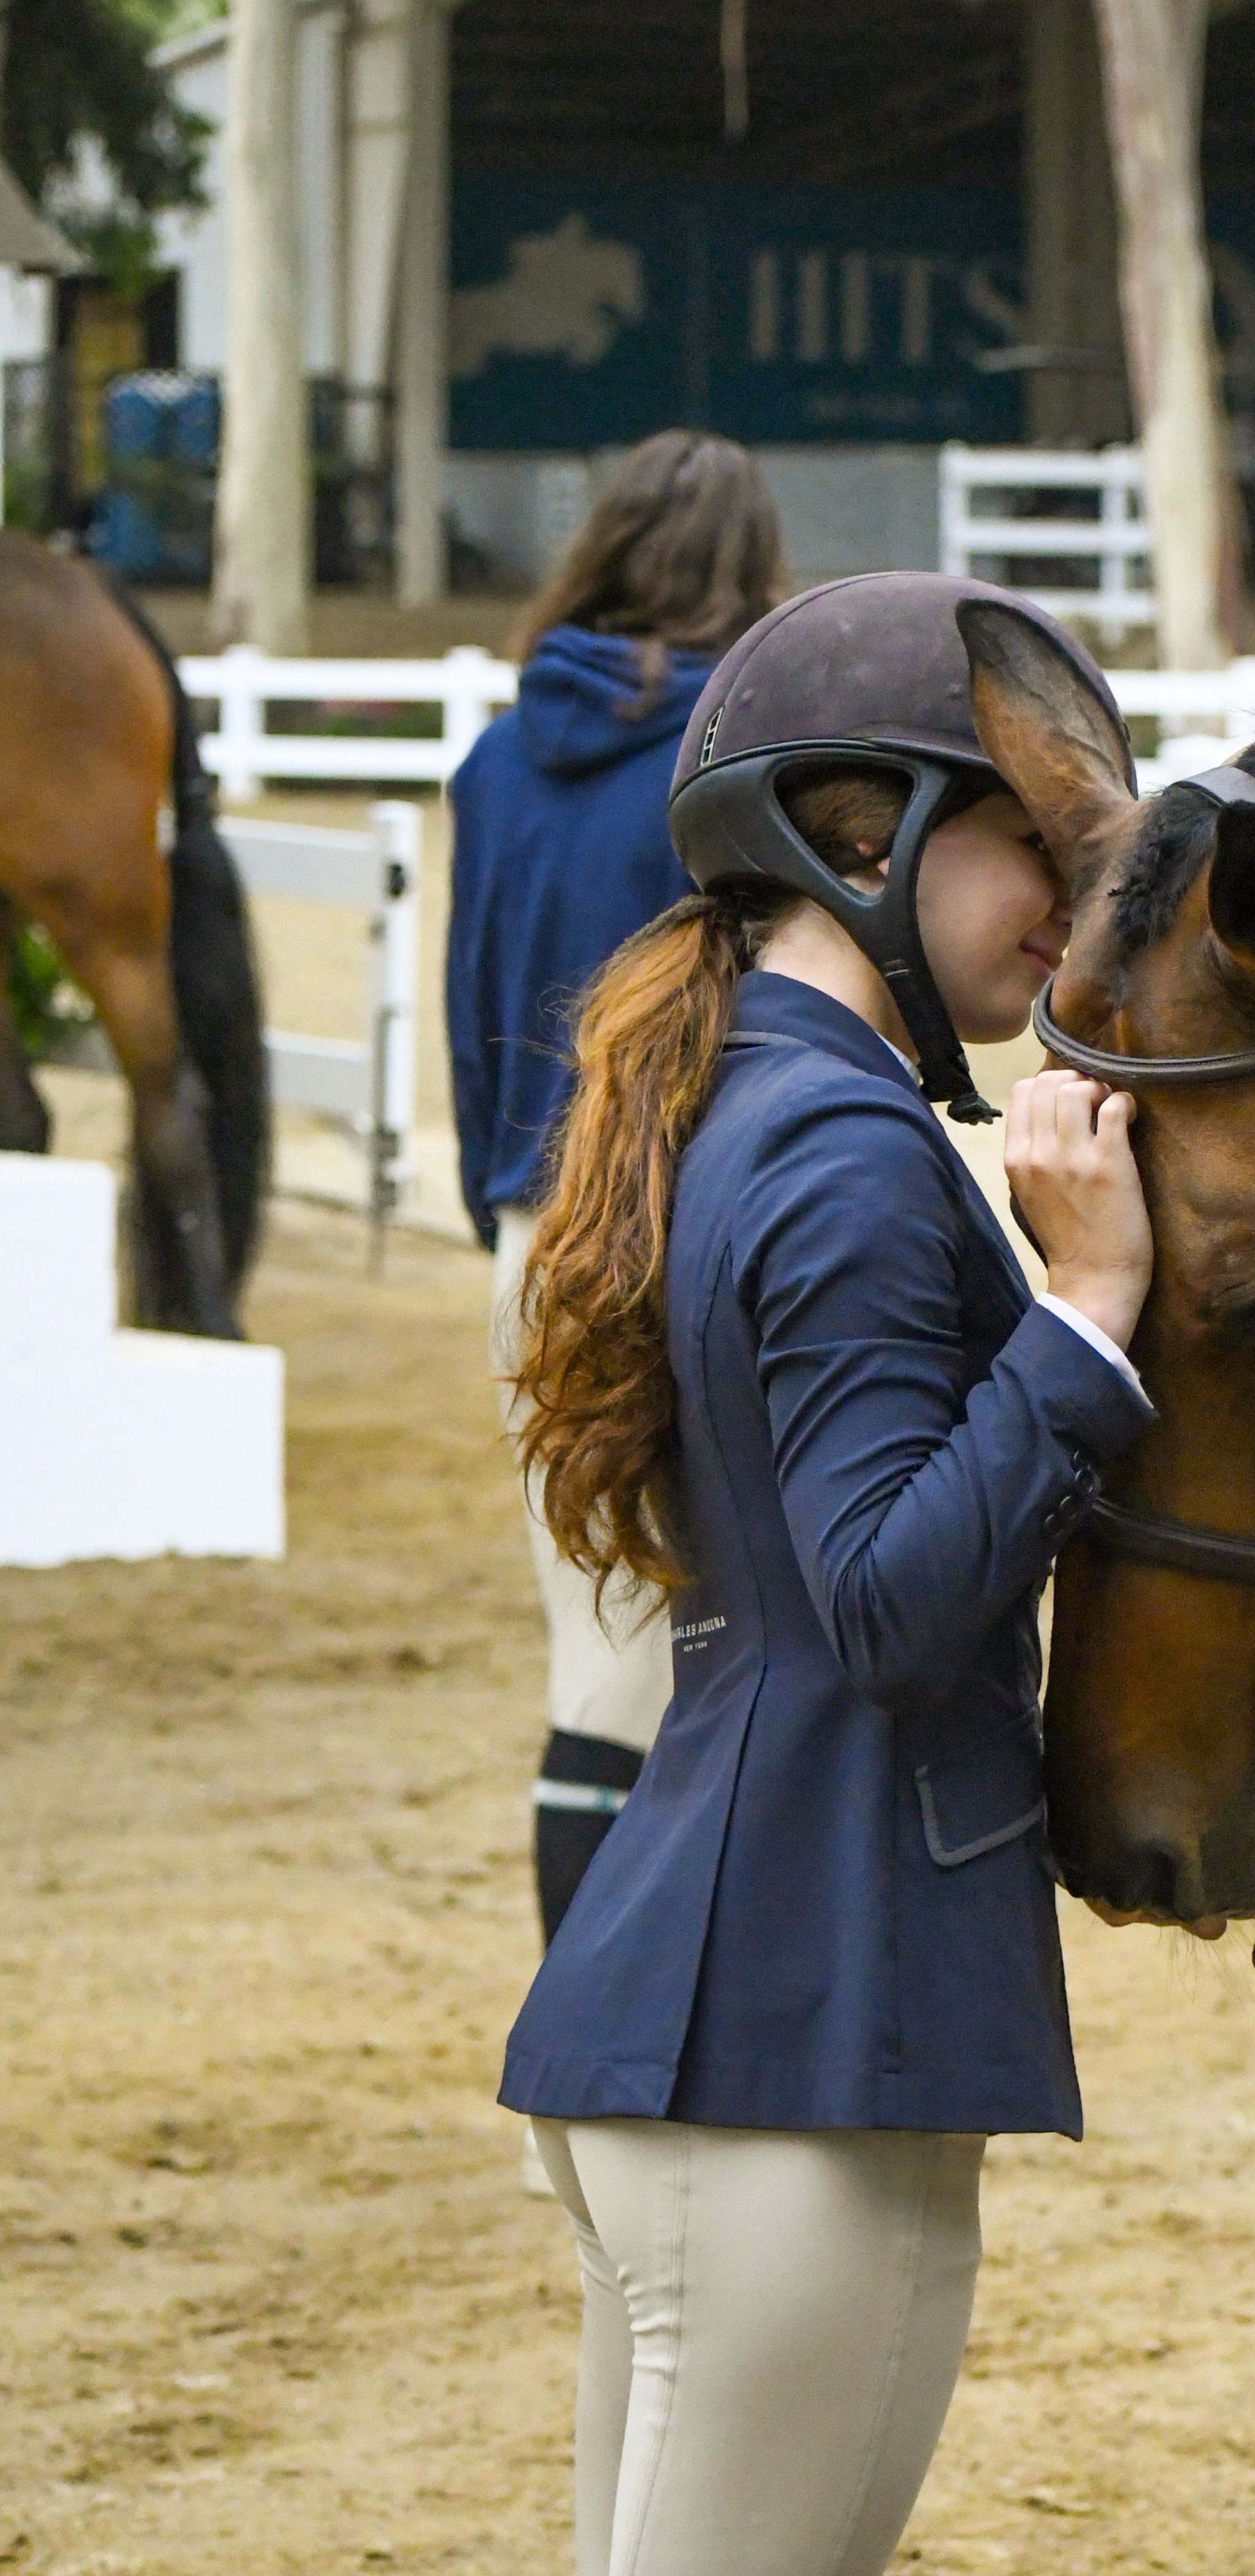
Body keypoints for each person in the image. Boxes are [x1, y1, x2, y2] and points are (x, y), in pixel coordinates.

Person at [493, 571, 1214, 2576]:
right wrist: (1088, 1320)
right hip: (798, 2050)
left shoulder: (756, 1107)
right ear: (859, 833)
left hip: (701, 2016)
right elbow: (902, 1604)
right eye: (1035, 855)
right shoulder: (845, 1158)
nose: (1069, 922)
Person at [445, 431, 787, 1948]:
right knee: (716, 1665)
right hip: (694, 1232)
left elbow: (469, 1017)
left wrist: (501, 1214)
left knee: (596, 1669)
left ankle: (571, 2083)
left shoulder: (492, 760)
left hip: (536, 1235)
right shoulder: (728, 778)